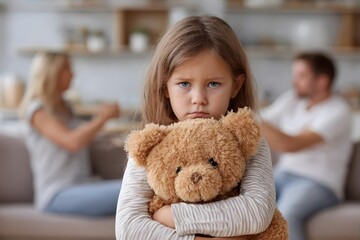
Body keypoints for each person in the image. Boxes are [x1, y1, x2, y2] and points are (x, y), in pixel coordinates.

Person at [116, 16, 276, 240]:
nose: (198, 98)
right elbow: (128, 228)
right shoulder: (151, 145)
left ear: (235, 86)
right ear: (165, 87)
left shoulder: (251, 143)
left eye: (213, 84)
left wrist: (171, 216)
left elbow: (258, 212)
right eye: (184, 84)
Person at [260, 52, 352, 240]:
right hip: (283, 174)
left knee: (285, 214)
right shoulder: (292, 99)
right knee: (249, 204)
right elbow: (263, 121)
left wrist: (250, 116)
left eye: (302, 76)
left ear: (322, 81)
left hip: (319, 182)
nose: (295, 81)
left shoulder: (338, 111)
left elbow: (291, 145)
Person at [19, 52, 122, 217]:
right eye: (67, 69)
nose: (73, 74)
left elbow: (82, 134)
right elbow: (72, 142)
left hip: (84, 185)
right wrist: (103, 117)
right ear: (52, 74)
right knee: (128, 191)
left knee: (134, 188)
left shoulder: (66, 107)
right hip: (57, 193)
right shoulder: (37, 111)